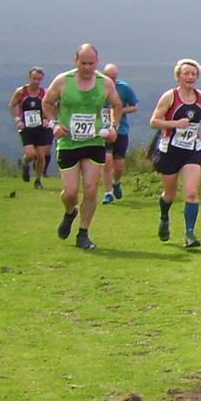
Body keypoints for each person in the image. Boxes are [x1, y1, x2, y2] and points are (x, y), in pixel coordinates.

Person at [42, 44, 122, 250]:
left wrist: (113, 126)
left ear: (97, 62)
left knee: (91, 189)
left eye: (91, 63)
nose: (87, 67)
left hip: (94, 141)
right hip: (68, 142)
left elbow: (116, 105)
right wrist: (54, 124)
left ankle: (83, 233)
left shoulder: (105, 83)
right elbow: (47, 103)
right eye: (83, 63)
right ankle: (70, 213)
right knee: (70, 192)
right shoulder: (62, 81)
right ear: (75, 61)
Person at [147, 58, 201, 248]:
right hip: (170, 151)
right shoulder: (170, 97)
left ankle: (190, 234)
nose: (190, 77)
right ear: (178, 76)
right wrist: (175, 124)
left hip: (192, 150)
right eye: (186, 73)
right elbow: (154, 121)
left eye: (194, 74)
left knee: (192, 192)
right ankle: (164, 217)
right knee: (169, 193)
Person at [7, 67, 54, 188]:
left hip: (41, 128)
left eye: (39, 79)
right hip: (26, 127)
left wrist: (47, 119)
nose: (36, 82)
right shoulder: (21, 92)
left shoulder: (45, 93)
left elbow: (52, 107)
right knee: (31, 154)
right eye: (34, 79)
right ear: (29, 78)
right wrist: (17, 119)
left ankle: (38, 180)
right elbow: (12, 105)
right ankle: (26, 164)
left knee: (40, 156)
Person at [100, 63, 139, 204]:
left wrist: (119, 111)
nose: (112, 80)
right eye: (109, 77)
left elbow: (134, 106)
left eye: (114, 78)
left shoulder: (124, 87)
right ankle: (108, 193)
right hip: (103, 130)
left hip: (121, 130)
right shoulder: (96, 87)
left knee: (119, 165)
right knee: (107, 160)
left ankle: (116, 182)